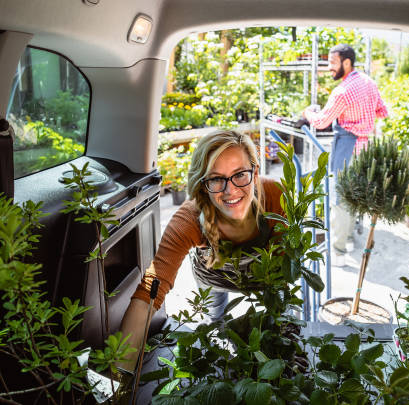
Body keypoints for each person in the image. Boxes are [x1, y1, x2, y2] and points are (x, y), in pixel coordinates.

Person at [119, 129, 284, 371]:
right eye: (216, 179)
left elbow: (284, 271)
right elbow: (150, 291)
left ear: (255, 172)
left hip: (263, 278)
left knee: (276, 326)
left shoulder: (275, 196)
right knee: (215, 322)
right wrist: (117, 378)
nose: (230, 190)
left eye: (240, 174)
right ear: (203, 184)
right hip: (213, 278)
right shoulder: (189, 217)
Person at [302, 44, 388, 260]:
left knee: (339, 199)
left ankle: (338, 251)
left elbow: (322, 122)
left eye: (333, 62)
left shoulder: (342, 91)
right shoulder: (369, 82)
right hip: (366, 147)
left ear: (346, 62)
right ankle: (348, 240)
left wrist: (308, 112)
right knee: (355, 195)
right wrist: (363, 120)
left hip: (347, 146)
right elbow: (382, 111)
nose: (329, 67)